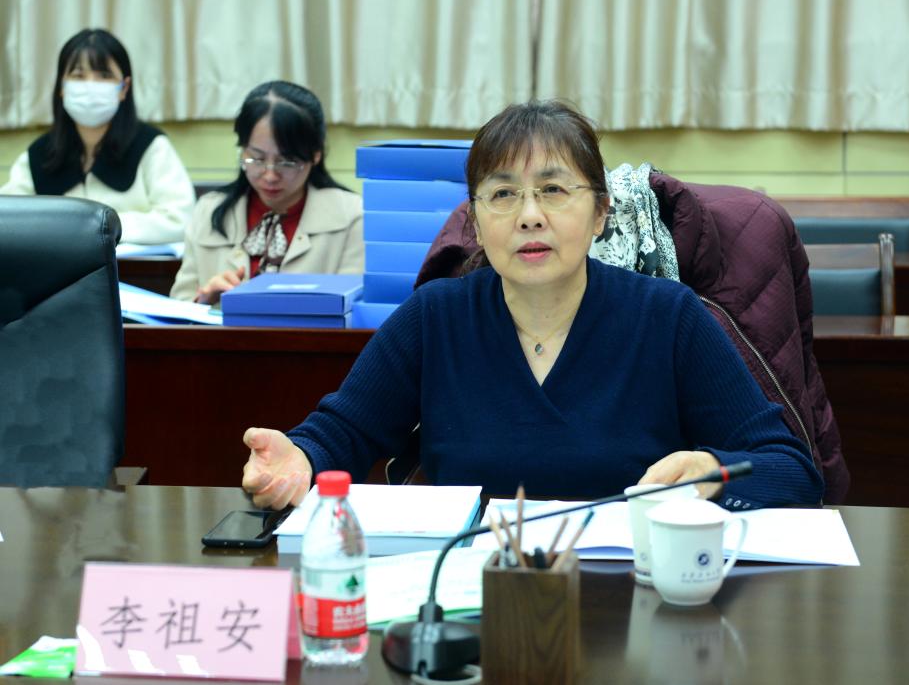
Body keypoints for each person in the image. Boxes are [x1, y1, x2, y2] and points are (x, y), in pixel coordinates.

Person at [241, 100, 824, 510]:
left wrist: (713, 474)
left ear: (600, 213)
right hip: (470, 595)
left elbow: (792, 469)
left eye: (553, 190)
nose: (528, 216)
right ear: (475, 221)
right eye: (502, 194)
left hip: (627, 598)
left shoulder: (669, 318)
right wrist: (300, 458)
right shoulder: (434, 318)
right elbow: (340, 433)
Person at [169, 81, 364, 304]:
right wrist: (202, 301)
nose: (270, 175)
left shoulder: (351, 216)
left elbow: (354, 311)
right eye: (257, 158)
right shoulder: (208, 211)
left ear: (315, 154)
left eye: (287, 161)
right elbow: (178, 309)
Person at [1, 29, 195, 245]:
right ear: (62, 87)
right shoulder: (39, 154)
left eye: (104, 76)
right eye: (78, 76)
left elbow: (180, 219)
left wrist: (101, 227)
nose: (90, 86)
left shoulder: (151, 147)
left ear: (124, 88)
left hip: (131, 265)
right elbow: (7, 218)